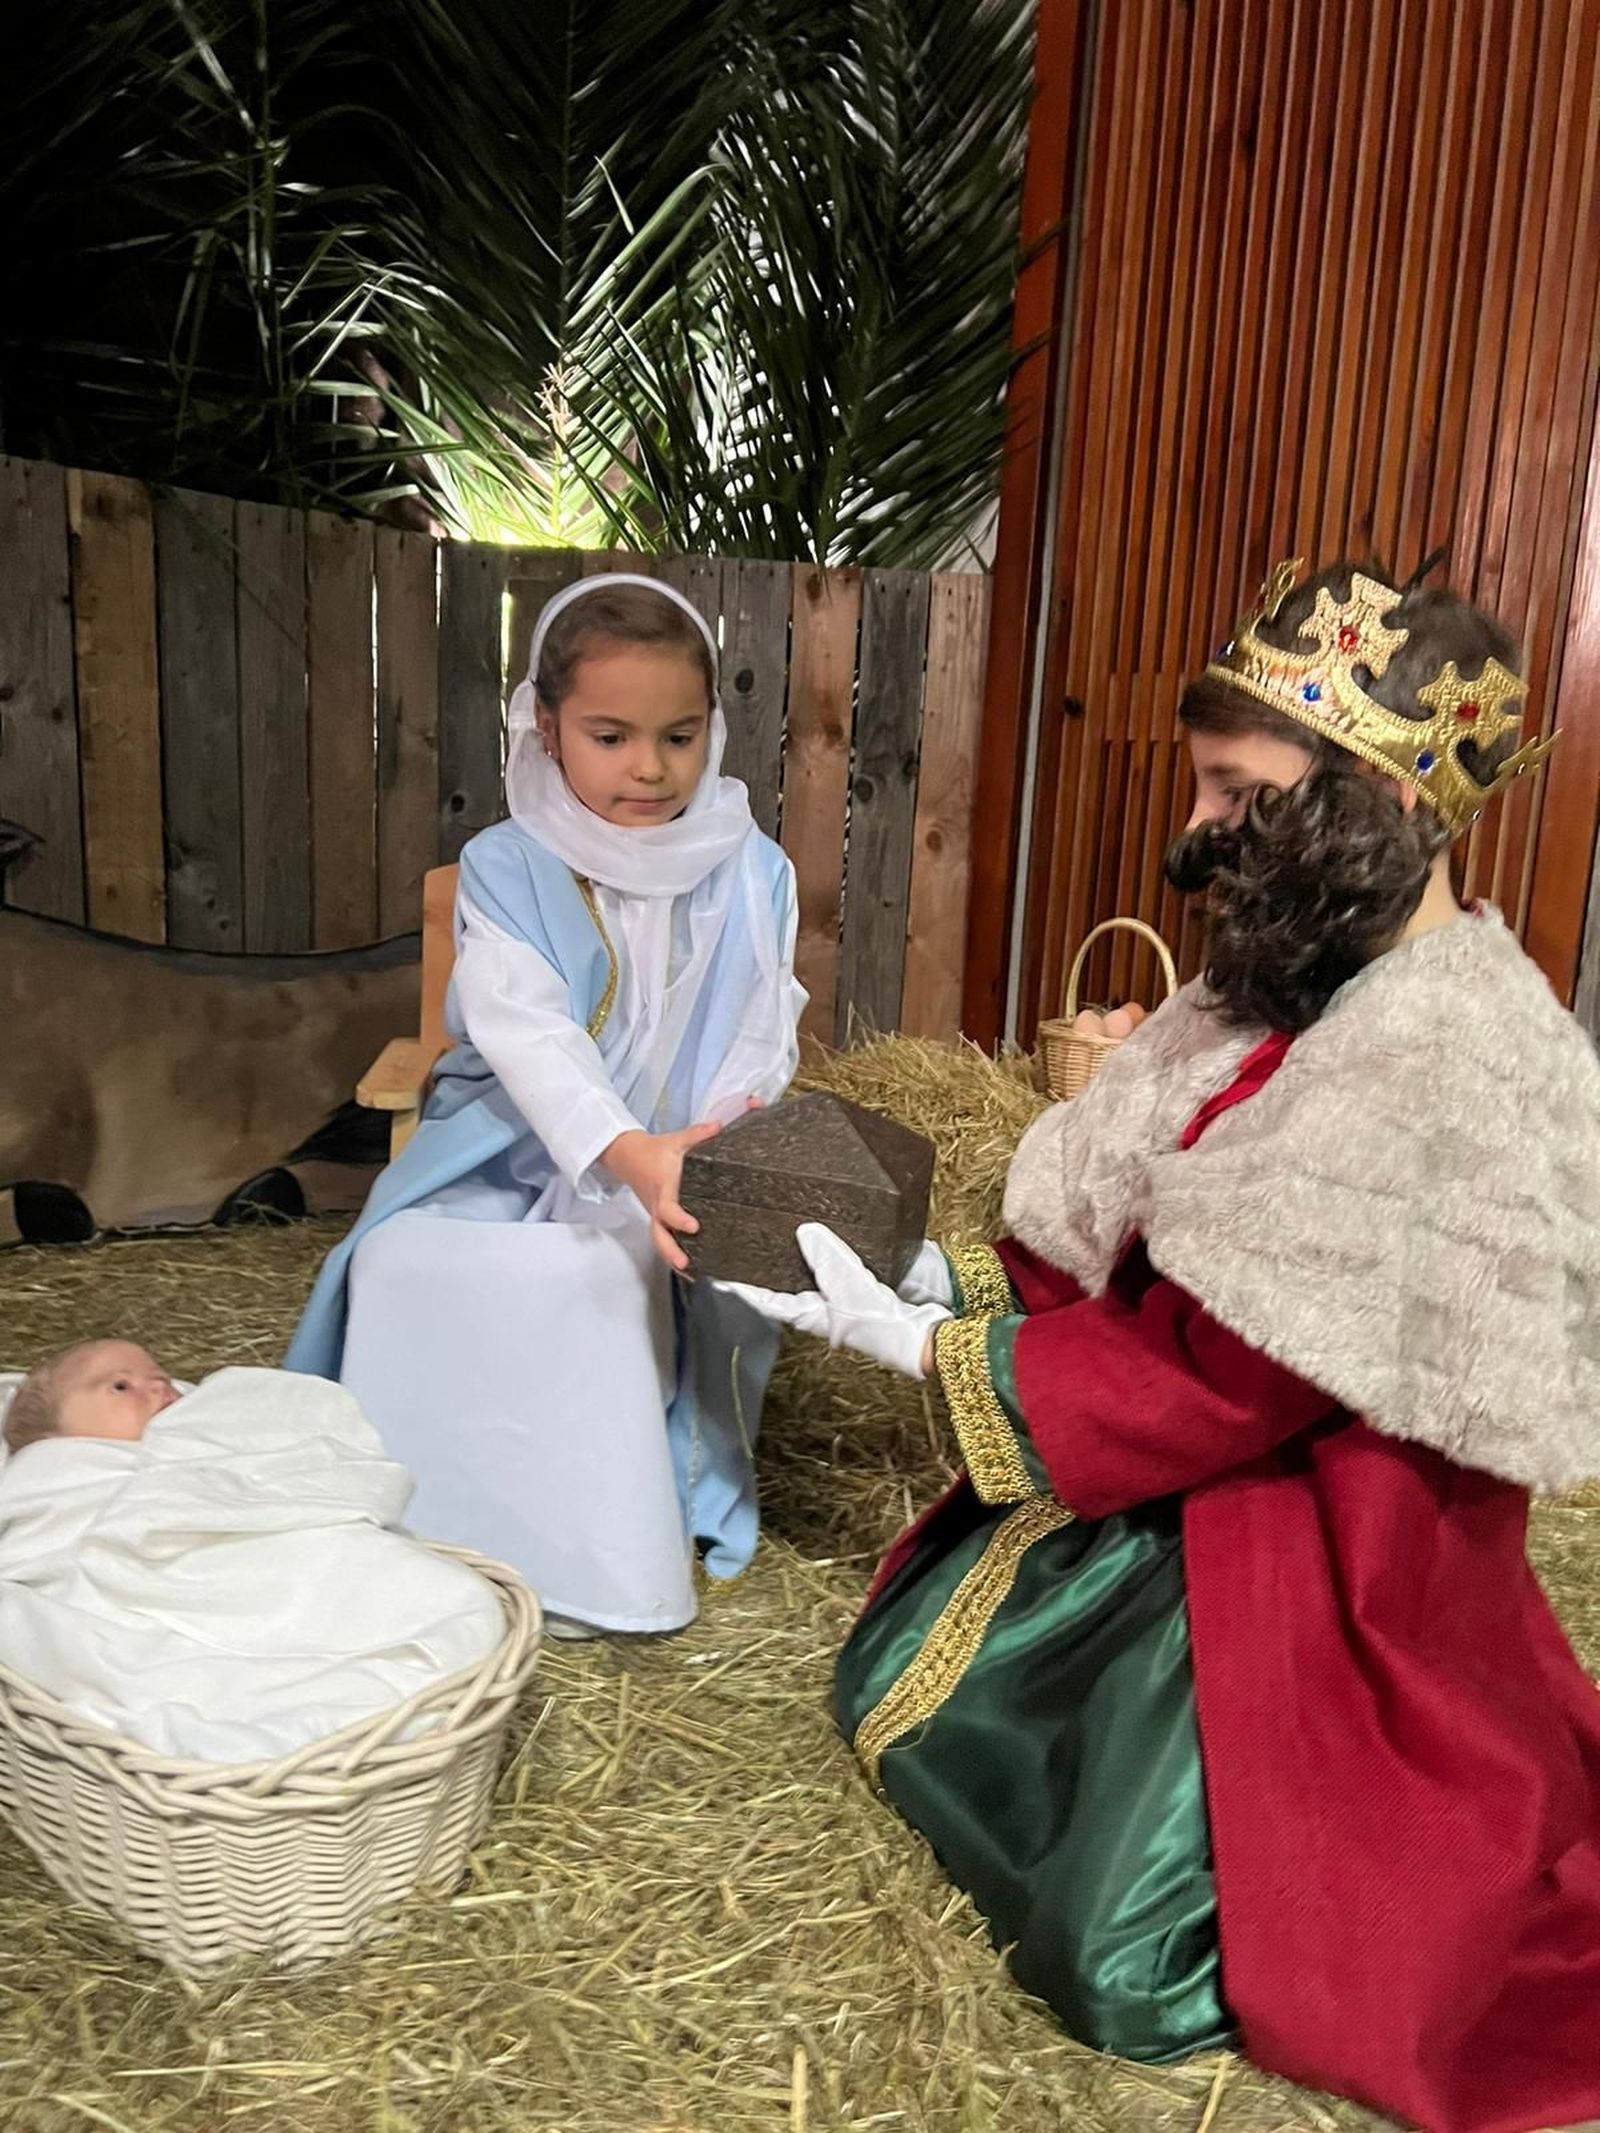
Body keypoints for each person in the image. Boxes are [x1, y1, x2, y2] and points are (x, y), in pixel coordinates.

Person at [724, 561, 1600, 2133]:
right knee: (899, 1699)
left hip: (1323, 1538)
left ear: (1364, 803)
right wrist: (946, 1275)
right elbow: (1159, 1230)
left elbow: (1233, 1373)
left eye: (1236, 792)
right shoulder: (1307, 974)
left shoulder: (1449, 1053)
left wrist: (925, 1351)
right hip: (1194, 1459)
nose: (1196, 833)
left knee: (1119, 1954)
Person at [287, 577, 804, 1638]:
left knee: (617, 1267)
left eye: (680, 735)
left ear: (716, 727)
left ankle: (604, 1548)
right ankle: (430, 1522)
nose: (650, 768)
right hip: (512, 1146)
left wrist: (695, 1156)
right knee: (406, 1261)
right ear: (546, 725)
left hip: (684, 1157)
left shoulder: (755, 871)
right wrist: (624, 1153)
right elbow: (521, 1027)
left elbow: (763, 1027)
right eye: (610, 736)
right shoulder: (507, 865)